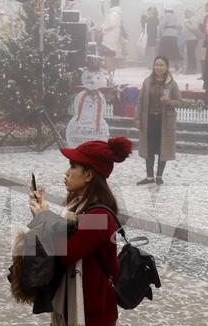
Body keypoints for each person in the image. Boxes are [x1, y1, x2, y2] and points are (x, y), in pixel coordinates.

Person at [25, 137, 133, 326]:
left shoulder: (99, 214)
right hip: (75, 302)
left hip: (93, 312)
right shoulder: (78, 204)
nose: (66, 173)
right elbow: (60, 235)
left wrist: (43, 218)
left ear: (89, 175)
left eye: (73, 167)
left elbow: (66, 252)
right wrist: (44, 212)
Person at [134, 56, 182, 185]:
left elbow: (179, 101)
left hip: (164, 121)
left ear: (166, 67)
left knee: (163, 148)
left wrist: (169, 101)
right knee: (149, 148)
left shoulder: (172, 83)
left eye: (161, 65)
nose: (158, 68)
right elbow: (140, 101)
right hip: (149, 120)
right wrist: (138, 118)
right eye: (156, 65)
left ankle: (159, 176)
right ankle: (149, 177)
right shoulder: (147, 82)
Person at [99, 0, 128, 75]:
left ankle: (109, 73)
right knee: (111, 56)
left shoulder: (112, 13)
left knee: (108, 56)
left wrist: (103, 28)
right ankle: (111, 73)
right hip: (114, 38)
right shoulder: (117, 13)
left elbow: (111, 23)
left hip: (109, 38)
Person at [182, 9, 201, 75]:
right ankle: (190, 68)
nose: (185, 15)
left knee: (191, 54)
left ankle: (192, 69)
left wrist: (186, 24)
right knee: (189, 54)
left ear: (190, 12)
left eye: (186, 13)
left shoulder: (193, 18)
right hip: (189, 39)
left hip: (193, 39)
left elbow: (195, 28)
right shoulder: (189, 19)